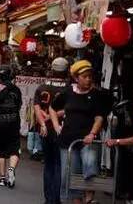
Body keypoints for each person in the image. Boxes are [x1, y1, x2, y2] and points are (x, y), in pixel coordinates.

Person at [50, 60, 106, 204]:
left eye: (90, 76)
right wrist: (56, 126)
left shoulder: (96, 94)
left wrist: (92, 134)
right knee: (69, 175)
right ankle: (75, 201)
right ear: (76, 78)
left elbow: (99, 117)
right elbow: (52, 108)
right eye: (85, 76)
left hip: (87, 139)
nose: (88, 79)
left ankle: (89, 198)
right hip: (67, 140)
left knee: (90, 164)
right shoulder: (68, 92)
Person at [34, 57, 69, 204]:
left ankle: (48, 198)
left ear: (52, 70)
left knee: (48, 163)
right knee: (59, 164)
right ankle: (57, 198)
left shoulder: (42, 87)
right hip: (62, 129)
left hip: (45, 130)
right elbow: (68, 108)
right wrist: (52, 116)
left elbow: (36, 107)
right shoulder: (69, 88)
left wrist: (43, 122)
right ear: (67, 71)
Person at [0, 65, 22, 188]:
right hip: (13, 121)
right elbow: (19, 106)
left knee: (1, 151)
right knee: (14, 148)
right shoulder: (16, 90)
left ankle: (2, 178)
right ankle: (11, 169)